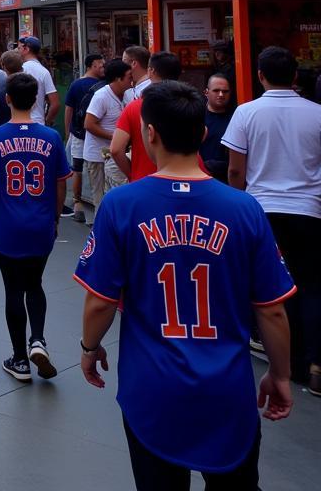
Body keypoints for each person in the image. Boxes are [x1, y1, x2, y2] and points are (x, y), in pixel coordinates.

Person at [76, 81, 295, 489]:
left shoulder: (121, 205)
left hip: (152, 388)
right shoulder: (244, 209)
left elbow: (100, 301)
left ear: (150, 133)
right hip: (227, 389)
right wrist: (280, 374)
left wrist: (89, 348)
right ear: (204, 134)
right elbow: (272, 308)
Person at [224, 46, 321, 395]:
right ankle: (315, 362)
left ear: (260, 75)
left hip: (261, 210)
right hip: (310, 211)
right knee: (311, 285)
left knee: (268, 285)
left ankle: (284, 358)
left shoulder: (246, 113)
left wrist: (241, 202)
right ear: (295, 76)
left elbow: (236, 169)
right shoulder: (317, 113)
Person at [0, 72, 71, 381]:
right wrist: (54, 218)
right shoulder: (51, 138)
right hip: (41, 223)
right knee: (35, 283)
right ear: (38, 100)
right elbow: (59, 186)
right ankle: (38, 339)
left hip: (7, 225)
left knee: (13, 289)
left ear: (8, 99)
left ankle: (19, 360)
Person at [109, 52, 182, 183]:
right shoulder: (190, 104)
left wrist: (132, 173)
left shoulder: (136, 107)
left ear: (151, 71)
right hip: (186, 179)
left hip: (144, 178)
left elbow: (115, 149)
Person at [82, 58, 132, 220]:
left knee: (118, 194)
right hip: (98, 155)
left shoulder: (128, 95)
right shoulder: (101, 96)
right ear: (118, 79)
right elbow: (89, 124)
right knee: (101, 198)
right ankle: (99, 232)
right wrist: (117, 137)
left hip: (117, 154)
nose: (131, 80)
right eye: (128, 77)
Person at [63, 53, 105, 225]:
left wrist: (69, 131)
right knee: (95, 168)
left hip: (79, 132)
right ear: (91, 66)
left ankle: (77, 203)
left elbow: (69, 110)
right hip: (96, 134)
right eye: (100, 65)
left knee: (78, 167)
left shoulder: (76, 85)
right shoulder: (104, 86)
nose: (103, 68)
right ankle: (92, 205)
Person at [18, 37, 59, 126]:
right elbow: (55, 104)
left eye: (19, 48)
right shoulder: (43, 71)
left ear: (26, 49)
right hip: (38, 122)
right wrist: (47, 121)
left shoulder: (20, 69)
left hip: (19, 122)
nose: (18, 51)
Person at [200, 74, 234, 182]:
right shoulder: (196, 117)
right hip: (201, 176)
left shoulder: (237, 118)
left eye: (225, 91)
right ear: (206, 92)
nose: (221, 94)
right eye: (216, 91)